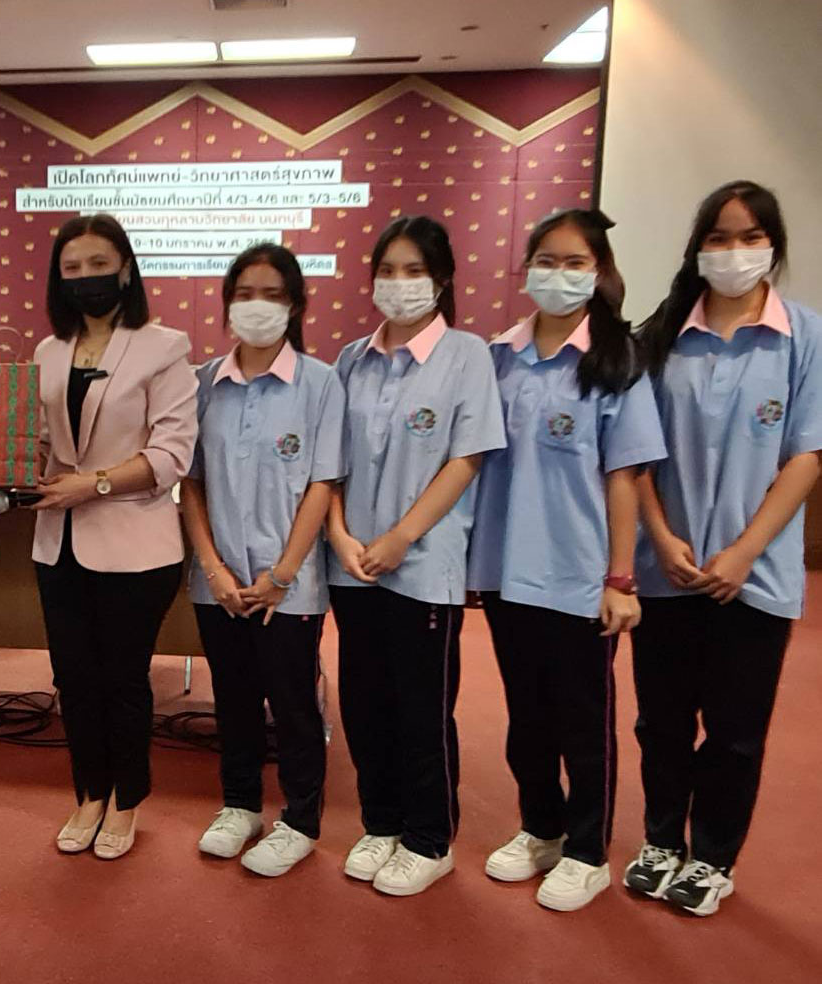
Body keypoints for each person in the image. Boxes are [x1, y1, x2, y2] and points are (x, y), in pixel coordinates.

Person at [623, 180, 821, 916]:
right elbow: (635, 453)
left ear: (772, 247)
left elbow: (806, 455)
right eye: (718, 238)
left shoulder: (803, 338)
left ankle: (711, 856)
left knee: (734, 733)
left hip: (754, 575)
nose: (733, 252)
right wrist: (661, 535)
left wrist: (742, 553)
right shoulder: (661, 336)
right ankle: (660, 841)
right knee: (661, 723)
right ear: (697, 248)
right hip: (666, 569)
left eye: (749, 238)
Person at [468, 209, 666, 910]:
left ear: (599, 271)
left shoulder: (615, 362)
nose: (558, 273)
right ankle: (541, 828)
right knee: (526, 717)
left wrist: (620, 577)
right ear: (526, 269)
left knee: (582, 722)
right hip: (504, 569)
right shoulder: (498, 356)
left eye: (574, 261)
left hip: (579, 577)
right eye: (545, 260)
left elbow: (625, 475)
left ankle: (587, 851)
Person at [327, 215, 506, 895]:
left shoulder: (466, 355)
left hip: (423, 566)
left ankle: (429, 839)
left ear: (441, 280)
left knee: (421, 708)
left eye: (414, 271)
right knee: (363, 702)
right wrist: (340, 535)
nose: (398, 285)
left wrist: (402, 536)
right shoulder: (351, 359)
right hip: (353, 564)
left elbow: (466, 459)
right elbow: (329, 464)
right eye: (387, 271)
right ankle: (380, 822)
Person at [31, 213, 198, 860]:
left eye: (98, 264)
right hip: (58, 544)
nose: (85, 278)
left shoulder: (164, 347)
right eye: (71, 268)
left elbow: (172, 454)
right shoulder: (47, 352)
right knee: (73, 679)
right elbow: (42, 446)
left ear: (125, 269)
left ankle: (126, 800)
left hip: (136, 544)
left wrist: (94, 484)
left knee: (123, 680)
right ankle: (89, 793)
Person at [180, 243, 344, 877]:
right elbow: (192, 481)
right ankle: (240, 805)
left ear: (296, 305)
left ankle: (299, 819)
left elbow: (322, 483)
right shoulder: (202, 383)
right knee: (234, 698)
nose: (257, 306)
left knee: (294, 704)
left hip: (289, 585)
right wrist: (214, 568)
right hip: (218, 582)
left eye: (273, 294)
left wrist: (280, 575)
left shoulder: (321, 383)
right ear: (227, 304)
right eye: (245, 293)